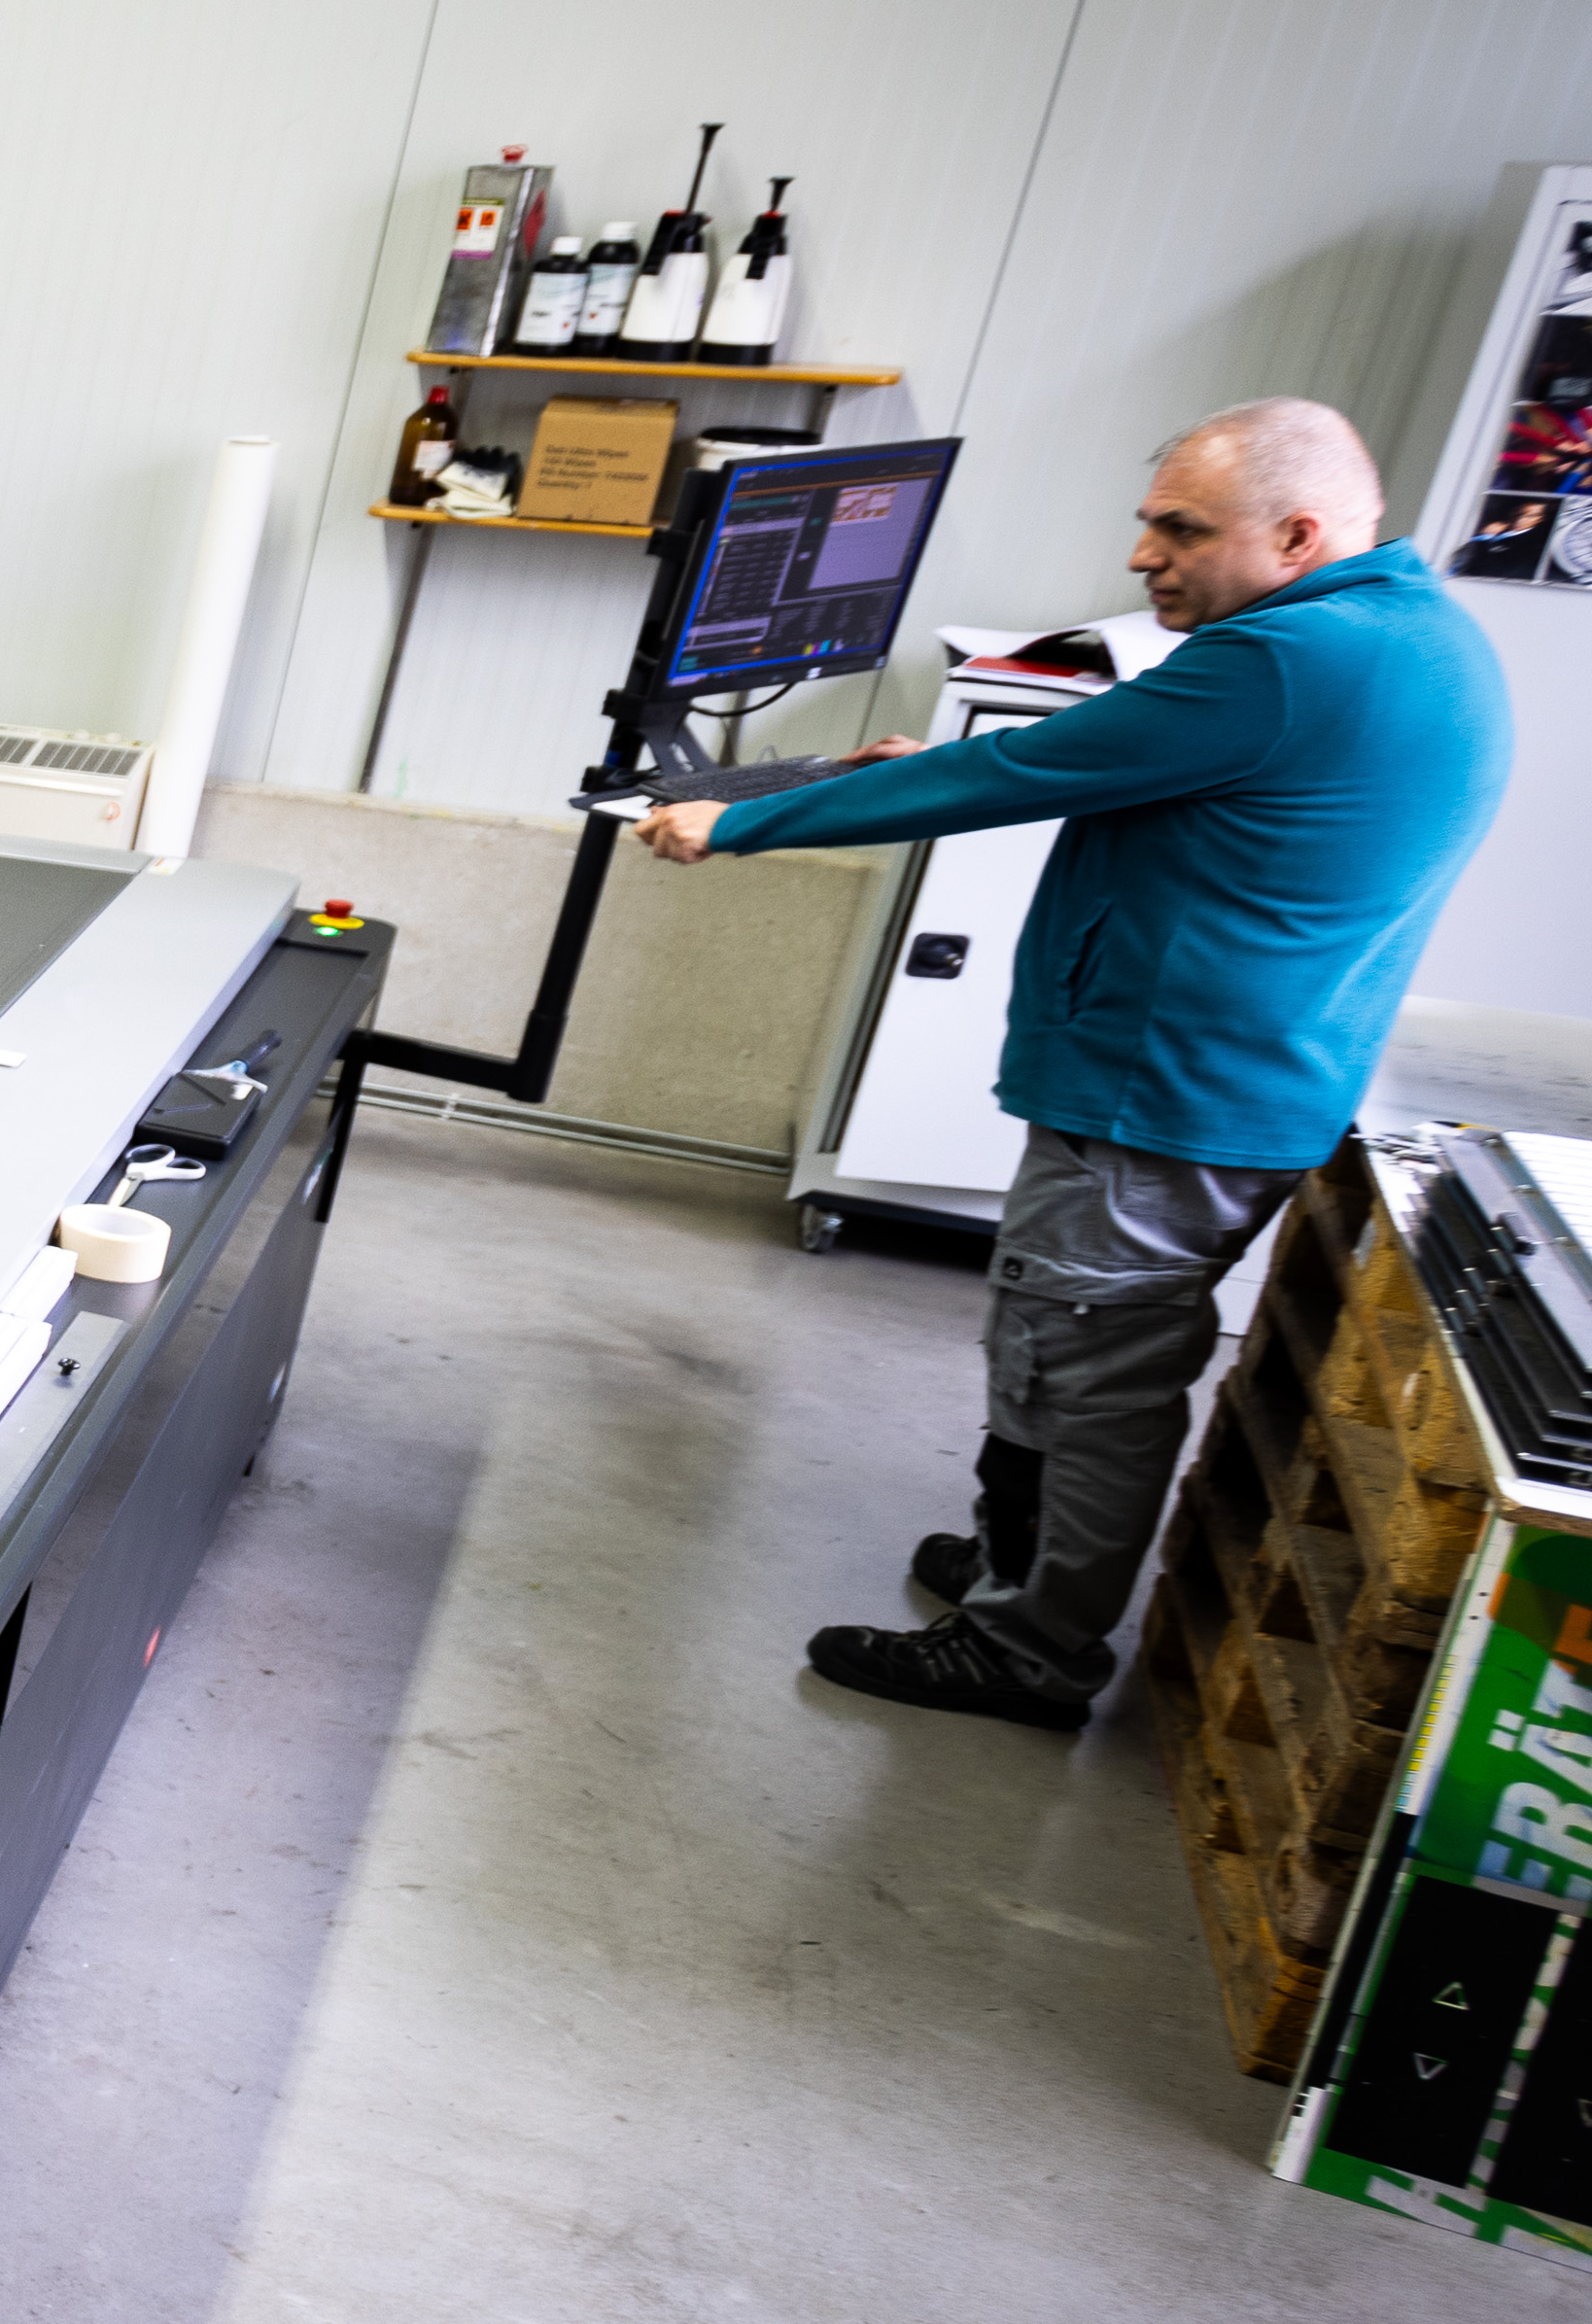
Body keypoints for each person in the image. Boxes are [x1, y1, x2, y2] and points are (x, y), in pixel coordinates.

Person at [634, 399, 1509, 1727]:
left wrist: (740, 820)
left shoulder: (1285, 659)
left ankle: (1028, 1644)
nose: (1146, 555)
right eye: (1150, 523)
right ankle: (1018, 1562)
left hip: (1165, 1093)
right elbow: (1107, 766)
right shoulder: (1413, 631)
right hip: (1242, 1072)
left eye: (1183, 529)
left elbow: (1014, 781)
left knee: (1087, 1367)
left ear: (1297, 534)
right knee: (1065, 1337)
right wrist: (958, 761)